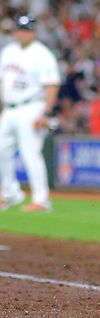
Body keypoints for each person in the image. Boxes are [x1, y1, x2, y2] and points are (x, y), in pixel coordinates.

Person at [0, 15, 61, 212]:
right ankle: (10, 193)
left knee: (30, 154)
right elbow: (3, 82)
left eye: (27, 30)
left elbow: (52, 85)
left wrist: (46, 113)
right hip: (9, 108)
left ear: (34, 32)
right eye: (20, 29)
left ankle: (41, 199)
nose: (23, 33)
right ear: (15, 31)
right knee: (1, 150)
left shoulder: (42, 54)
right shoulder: (8, 51)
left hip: (32, 107)